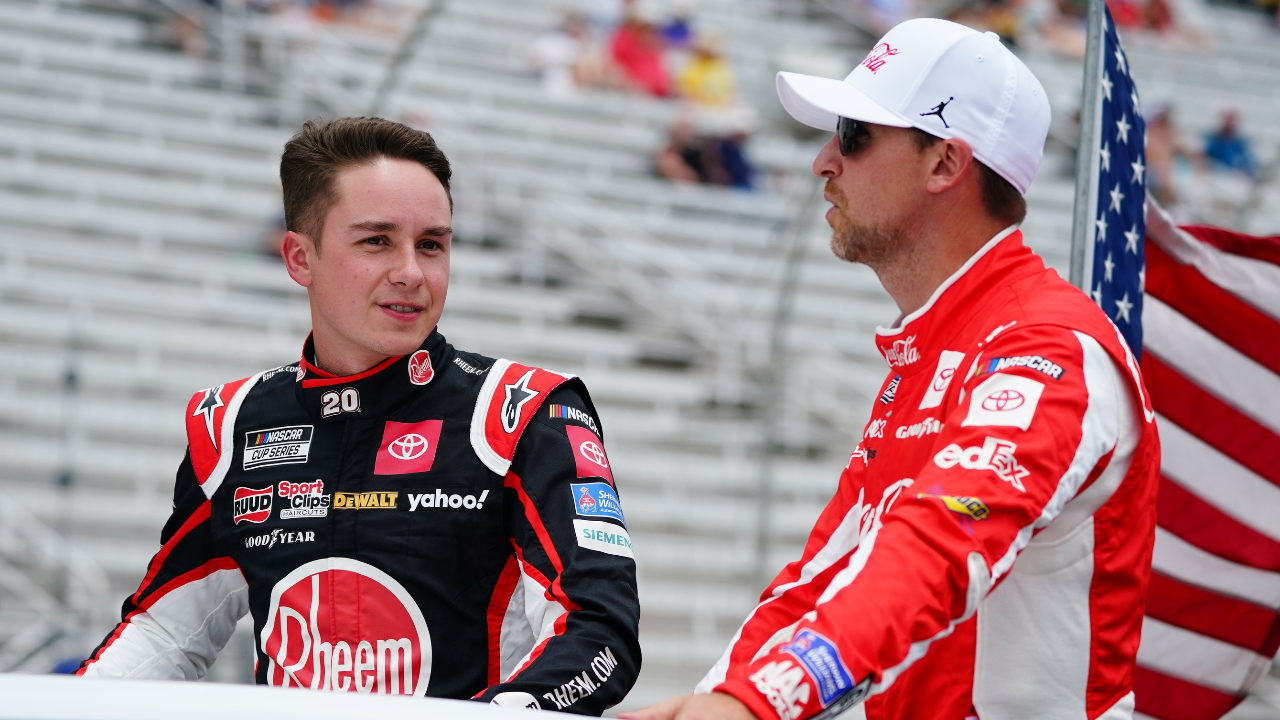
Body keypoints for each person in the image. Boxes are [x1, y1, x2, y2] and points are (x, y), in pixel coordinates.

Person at [623, 18, 1159, 720]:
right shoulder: (934, 346)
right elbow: (816, 583)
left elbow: (943, 542)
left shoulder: (1051, 346)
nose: (823, 160)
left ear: (944, 164)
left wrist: (757, 703)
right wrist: (716, 698)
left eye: (853, 134)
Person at [78, 118, 642, 714]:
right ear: (300, 257)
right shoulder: (232, 423)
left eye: (431, 244)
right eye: (377, 241)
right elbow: (165, 633)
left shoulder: (524, 410)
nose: (412, 273)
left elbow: (598, 633)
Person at [1203, 108, 1257, 180]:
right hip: (1212, 176)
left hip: (1231, 180)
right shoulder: (1210, 140)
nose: (1230, 123)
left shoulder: (1240, 144)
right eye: (1227, 119)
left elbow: (1248, 164)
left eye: (1232, 119)